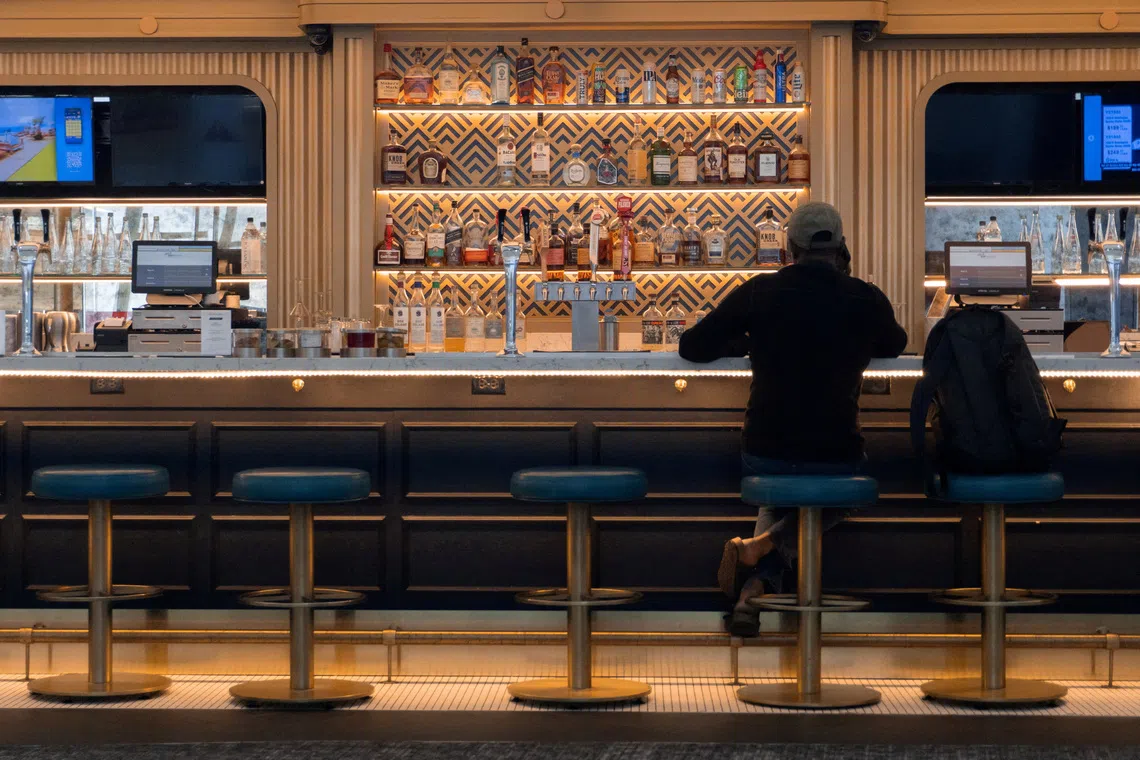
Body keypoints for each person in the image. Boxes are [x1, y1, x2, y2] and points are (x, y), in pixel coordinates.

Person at [678, 202, 908, 637]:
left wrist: (744, 342)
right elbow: (896, 344)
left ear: (789, 247)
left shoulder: (760, 291)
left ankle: (752, 591)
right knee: (840, 496)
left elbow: (693, 346)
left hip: (766, 451)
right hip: (837, 453)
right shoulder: (864, 296)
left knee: (779, 498)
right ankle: (759, 550)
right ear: (840, 246)